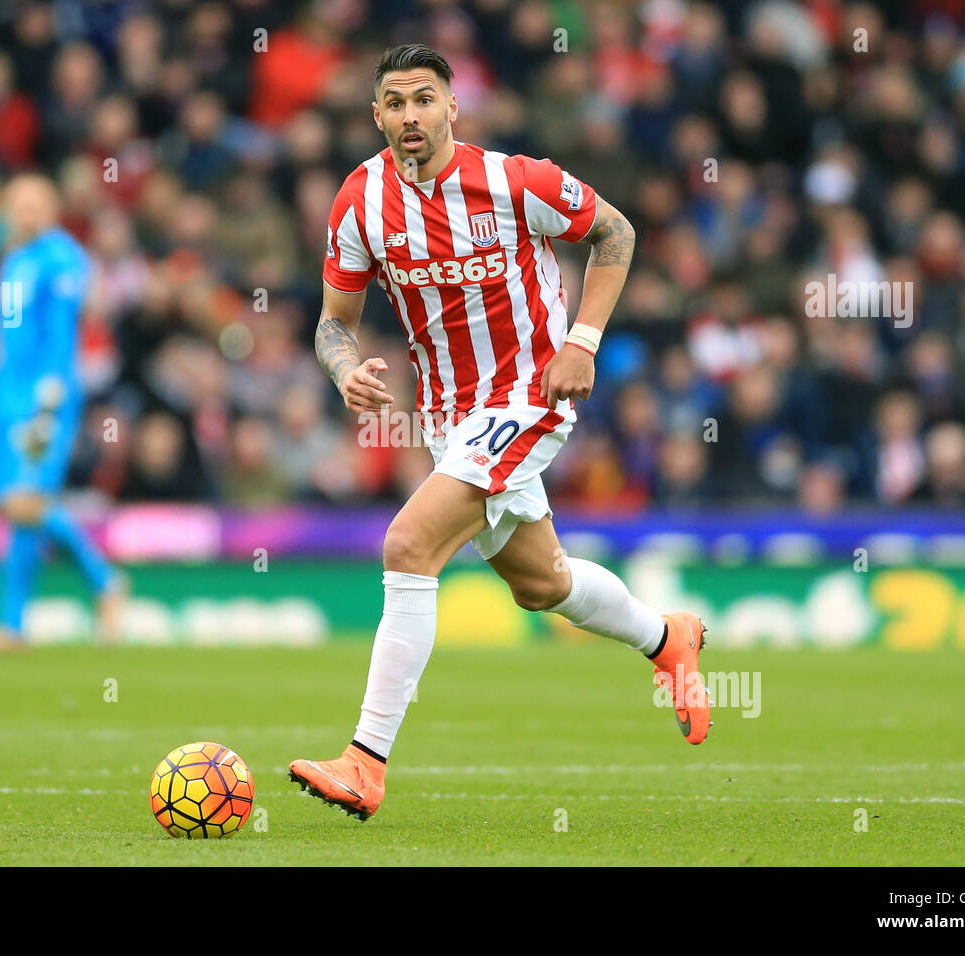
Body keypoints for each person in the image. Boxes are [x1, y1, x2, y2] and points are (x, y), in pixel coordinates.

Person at [289, 45, 711, 820]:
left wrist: (582, 341)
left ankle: (365, 762)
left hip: (531, 394)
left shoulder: (517, 180)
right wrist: (341, 368)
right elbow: (332, 324)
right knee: (540, 582)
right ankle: (665, 638)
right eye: (394, 102)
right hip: (450, 418)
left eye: (424, 98)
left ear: (453, 107)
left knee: (407, 546)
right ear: (376, 115)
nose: (410, 115)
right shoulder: (359, 201)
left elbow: (614, 233)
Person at [0, 174, 124, 655]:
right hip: (5, 396)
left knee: (26, 501)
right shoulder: (13, 260)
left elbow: (84, 311)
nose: (27, 213)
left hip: (44, 396)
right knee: (13, 509)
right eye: (19, 204)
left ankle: (105, 581)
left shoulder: (61, 256)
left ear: (51, 209)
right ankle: (11, 626)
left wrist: (51, 389)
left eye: (36, 204)